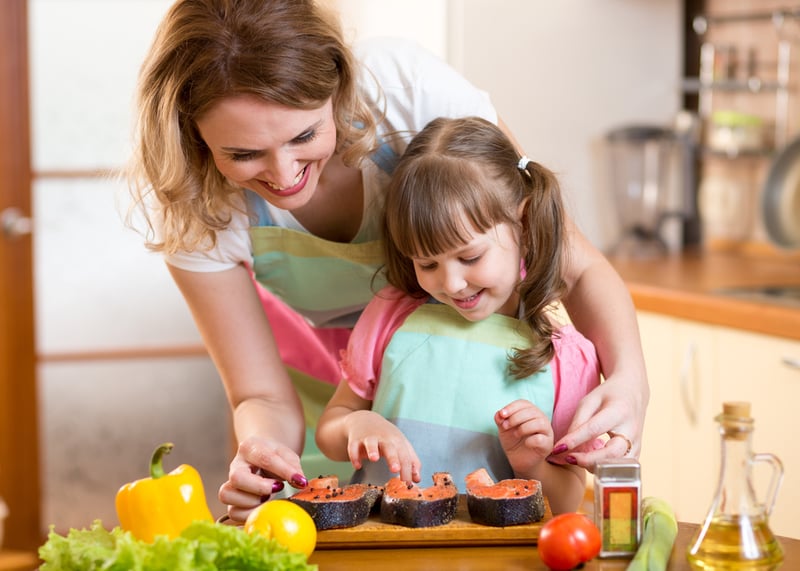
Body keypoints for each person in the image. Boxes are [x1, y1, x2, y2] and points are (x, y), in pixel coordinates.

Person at [127, 0, 648, 522]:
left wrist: (628, 381)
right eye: (243, 155)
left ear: (338, 88)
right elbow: (260, 393)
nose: (284, 175)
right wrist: (264, 456)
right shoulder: (192, 204)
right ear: (193, 137)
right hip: (339, 402)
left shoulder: (406, 96)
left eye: (305, 135)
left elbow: (573, 263)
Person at [316, 116, 600, 514]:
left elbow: (570, 499)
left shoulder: (564, 357)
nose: (451, 283)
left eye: (470, 257)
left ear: (524, 221)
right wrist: (353, 425)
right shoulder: (391, 314)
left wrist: (532, 462)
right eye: (427, 263)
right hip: (385, 547)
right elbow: (331, 426)